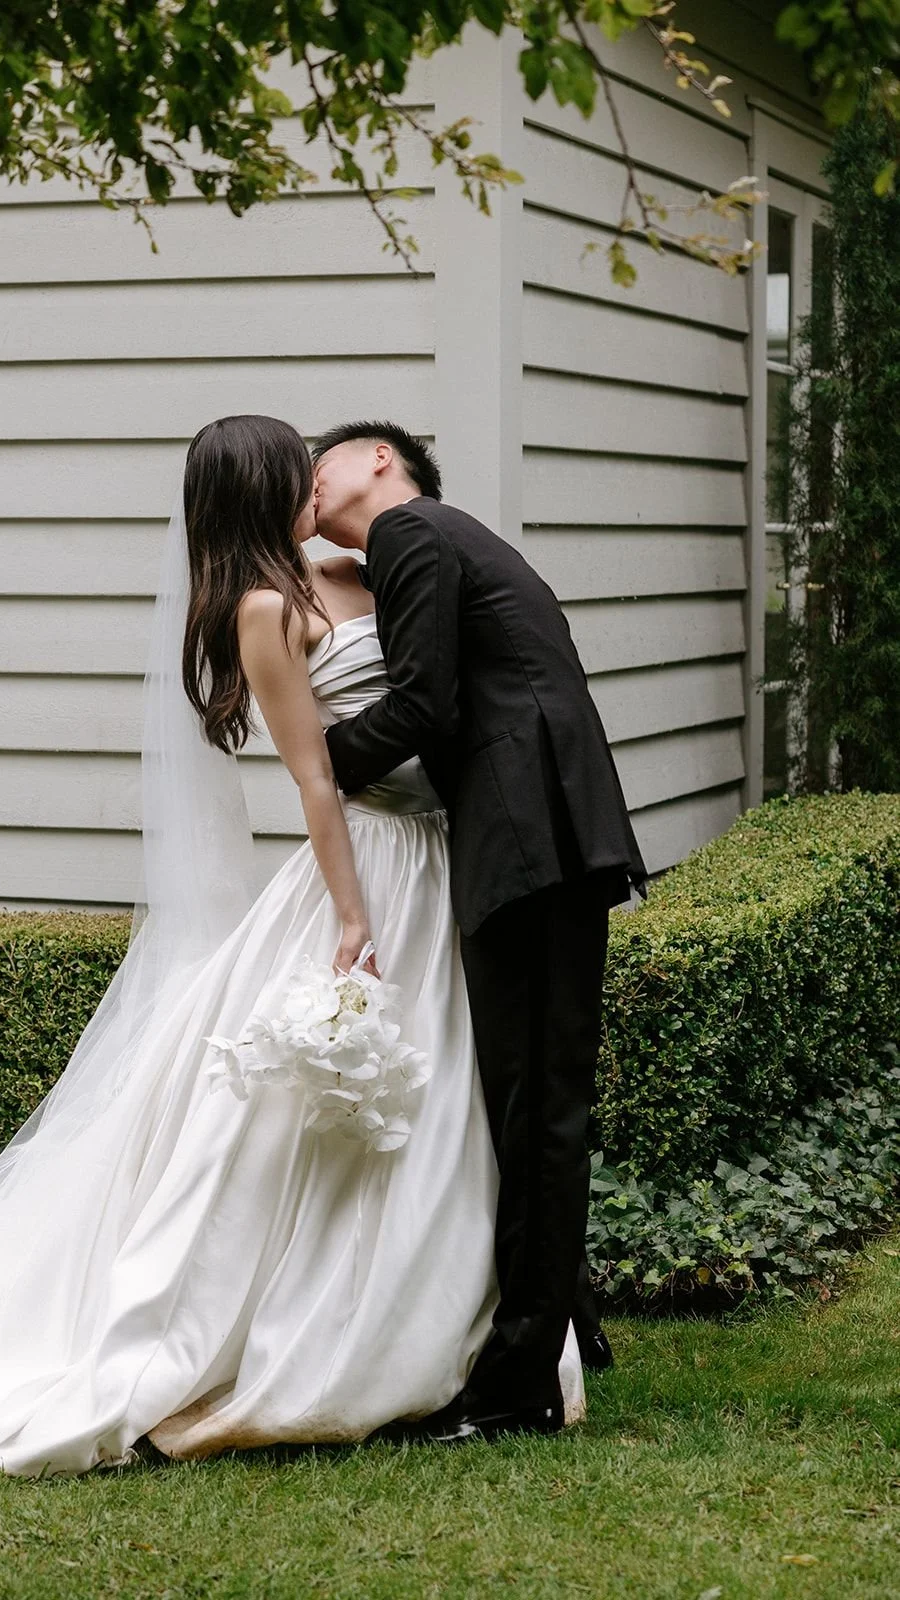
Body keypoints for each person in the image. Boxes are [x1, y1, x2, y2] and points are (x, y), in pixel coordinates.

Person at [0, 415, 584, 1507]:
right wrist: (350, 918)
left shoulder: (361, 568)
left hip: (443, 855)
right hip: (368, 866)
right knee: (295, 1125)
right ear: (261, 490)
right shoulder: (264, 610)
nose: (316, 481)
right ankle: (302, 1329)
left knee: (454, 1098)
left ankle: (476, 1320)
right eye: (297, 470)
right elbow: (315, 779)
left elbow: (437, 690)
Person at [313, 420, 647, 1444]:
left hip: (526, 835)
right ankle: (565, 1324)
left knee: (537, 1106)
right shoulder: (440, 540)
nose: (307, 480)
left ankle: (513, 1389)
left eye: (322, 462)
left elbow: (424, 704)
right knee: (535, 1097)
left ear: (382, 459)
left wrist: (316, 764)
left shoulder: (410, 530)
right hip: (540, 828)